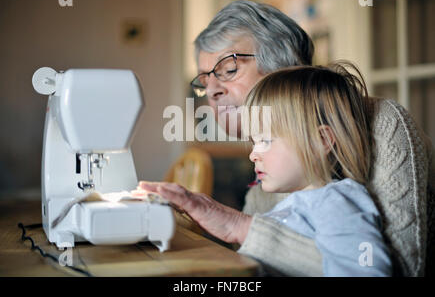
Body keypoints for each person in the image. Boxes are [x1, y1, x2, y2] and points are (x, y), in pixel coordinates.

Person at [140, 62, 393, 276]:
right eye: (254, 141)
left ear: (322, 141)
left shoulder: (335, 201)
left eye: (265, 141)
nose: (253, 154)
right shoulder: (292, 202)